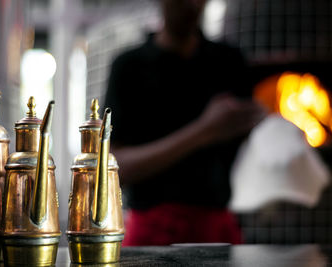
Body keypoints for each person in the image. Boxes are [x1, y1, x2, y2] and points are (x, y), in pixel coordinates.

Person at [104, 0, 265, 246]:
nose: (191, 4)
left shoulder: (228, 61)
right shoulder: (130, 67)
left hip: (218, 231)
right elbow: (115, 168)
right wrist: (205, 130)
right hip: (153, 231)